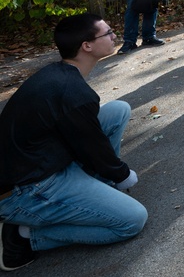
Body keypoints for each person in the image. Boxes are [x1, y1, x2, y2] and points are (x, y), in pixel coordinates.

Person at [0, 14, 148, 271]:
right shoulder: (72, 91)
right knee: (132, 220)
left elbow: (86, 137)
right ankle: (23, 237)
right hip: (28, 187)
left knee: (117, 110)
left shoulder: (58, 73)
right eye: (108, 32)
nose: (114, 35)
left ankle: (99, 189)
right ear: (86, 46)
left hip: (39, 160)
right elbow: (93, 147)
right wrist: (122, 174)